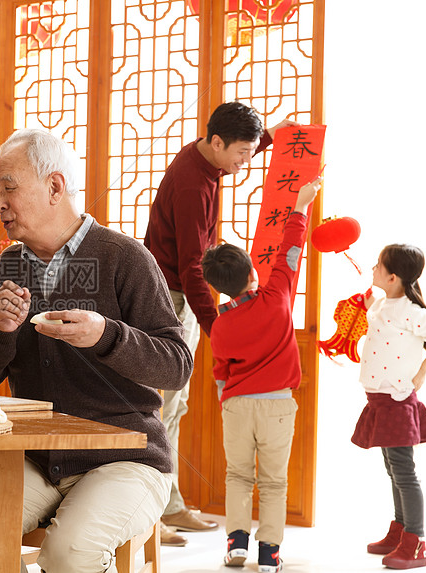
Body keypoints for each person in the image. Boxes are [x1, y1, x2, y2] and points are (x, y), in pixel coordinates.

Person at [0, 129, 193, 573]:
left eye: (9, 187)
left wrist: (107, 335)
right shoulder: (10, 265)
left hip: (127, 457)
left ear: (55, 187)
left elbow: (176, 365)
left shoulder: (125, 257)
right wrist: (0, 331)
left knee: (68, 553)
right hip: (38, 456)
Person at [143, 101, 296, 545]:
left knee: (172, 407)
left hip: (178, 294)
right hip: (173, 298)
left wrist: (270, 136)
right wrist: (218, 328)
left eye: (251, 151)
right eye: (242, 153)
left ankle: (166, 507)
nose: (245, 162)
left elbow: (234, 154)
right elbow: (193, 267)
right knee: (163, 408)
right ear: (215, 142)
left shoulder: (206, 162)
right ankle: (155, 516)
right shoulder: (194, 186)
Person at [201, 176, 321, 572]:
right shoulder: (278, 295)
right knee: (273, 481)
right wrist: (301, 206)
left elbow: (221, 372)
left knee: (237, 475)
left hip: (235, 406)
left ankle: (236, 546)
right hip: (277, 408)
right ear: (253, 272)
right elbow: (291, 250)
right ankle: (269, 556)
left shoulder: (219, 326)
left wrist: (228, 398)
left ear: (219, 287)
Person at [352, 244, 426, 569]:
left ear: (392, 277)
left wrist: (422, 373)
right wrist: (368, 303)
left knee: (404, 473)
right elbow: (378, 320)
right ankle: (401, 531)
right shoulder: (385, 304)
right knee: (393, 469)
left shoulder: (413, 313)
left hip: (398, 401)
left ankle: (415, 542)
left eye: (378, 265)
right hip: (378, 400)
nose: (372, 269)